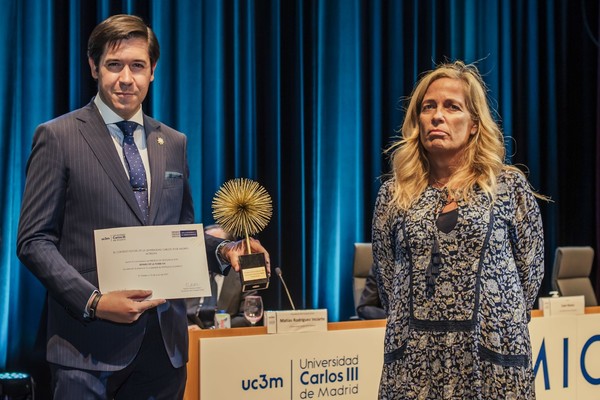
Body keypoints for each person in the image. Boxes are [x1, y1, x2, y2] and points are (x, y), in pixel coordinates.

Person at [16, 14, 270, 399]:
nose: (126, 78)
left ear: (152, 71)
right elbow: (33, 240)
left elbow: (180, 234)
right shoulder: (58, 137)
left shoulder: (174, 142)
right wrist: (94, 302)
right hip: (87, 352)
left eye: (138, 66)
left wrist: (223, 250)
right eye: (114, 65)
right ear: (93, 67)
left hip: (164, 351)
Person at [372, 60, 544, 399]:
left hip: (492, 360)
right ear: (417, 121)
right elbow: (387, 277)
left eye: (452, 107)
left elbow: (530, 270)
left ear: (474, 125)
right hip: (414, 364)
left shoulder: (508, 186)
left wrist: (494, 317)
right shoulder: (393, 195)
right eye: (428, 107)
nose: (437, 116)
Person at [186, 224, 258, 329]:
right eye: (206, 247)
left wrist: (216, 329)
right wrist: (187, 326)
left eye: (215, 247)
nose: (208, 252)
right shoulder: (188, 274)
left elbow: (248, 315)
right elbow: (175, 311)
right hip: (188, 337)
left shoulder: (243, 277)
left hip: (226, 339)